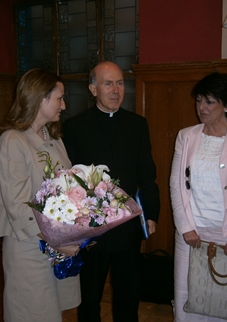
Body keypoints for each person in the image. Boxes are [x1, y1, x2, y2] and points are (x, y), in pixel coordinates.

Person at [62, 61, 160, 322]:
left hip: (127, 227)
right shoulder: (74, 127)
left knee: (128, 296)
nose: (116, 90)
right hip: (91, 229)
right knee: (89, 297)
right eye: (108, 83)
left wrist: (151, 213)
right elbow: (68, 181)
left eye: (120, 83)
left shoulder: (137, 125)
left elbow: (147, 173)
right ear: (93, 89)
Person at [169, 72, 227, 322]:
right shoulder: (186, 136)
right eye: (199, 100)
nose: (202, 107)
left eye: (209, 101)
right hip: (192, 233)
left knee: (226, 297)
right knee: (187, 294)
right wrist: (185, 227)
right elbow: (176, 185)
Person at [0, 69, 81, 322]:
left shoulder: (52, 137)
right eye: (59, 98)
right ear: (40, 98)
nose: (63, 106)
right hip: (29, 245)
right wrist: (56, 240)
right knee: (32, 313)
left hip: (55, 244)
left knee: (53, 312)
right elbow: (18, 206)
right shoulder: (12, 141)